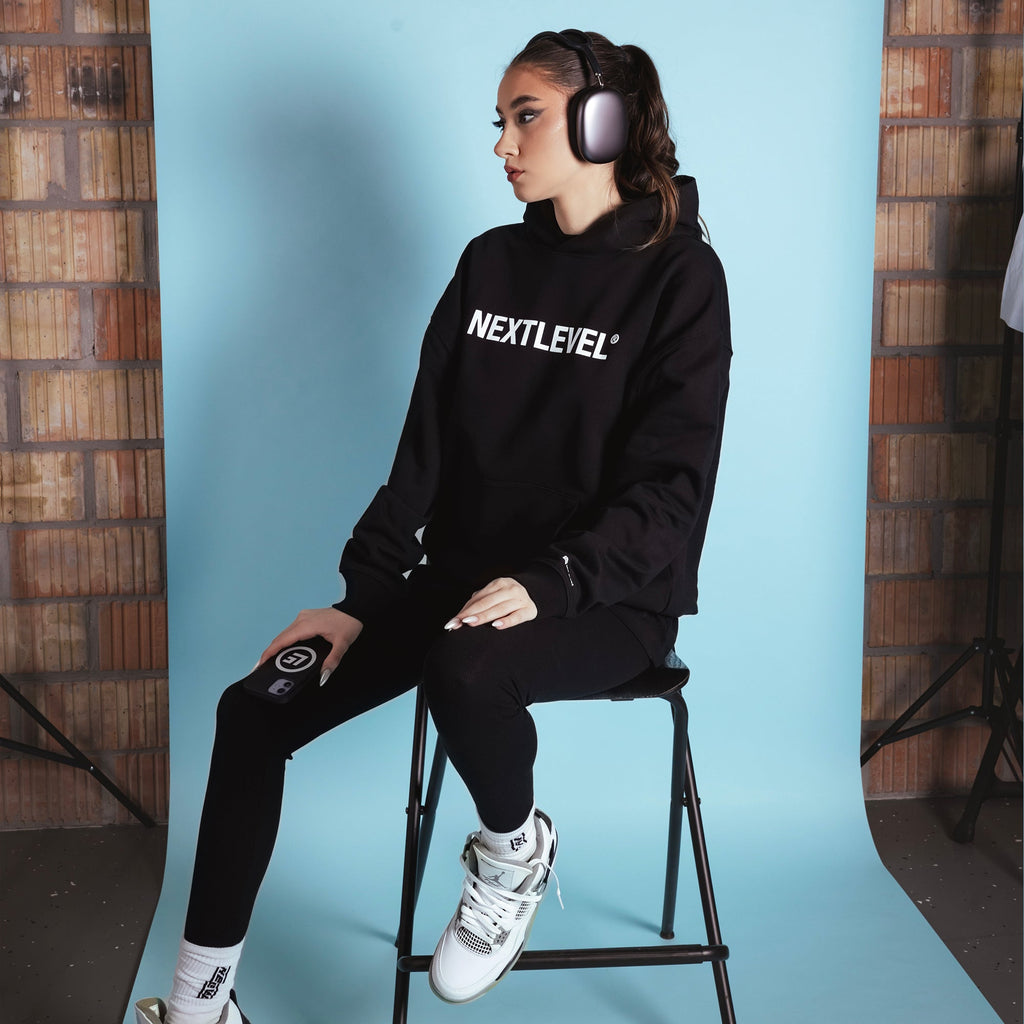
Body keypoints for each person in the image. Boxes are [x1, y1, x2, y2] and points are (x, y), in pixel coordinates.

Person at [135, 28, 731, 1024]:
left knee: (465, 667)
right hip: (460, 585)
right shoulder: (490, 265)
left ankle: (513, 852)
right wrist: (362, 600)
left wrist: (556, 581)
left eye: (525, 117)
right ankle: (200, 1004)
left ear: (603, 123)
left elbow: (672, 491)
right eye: (498, 122)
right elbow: (424, 454)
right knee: (253, 710)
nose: (502, 144)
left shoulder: (680, 279)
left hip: (609, 601)